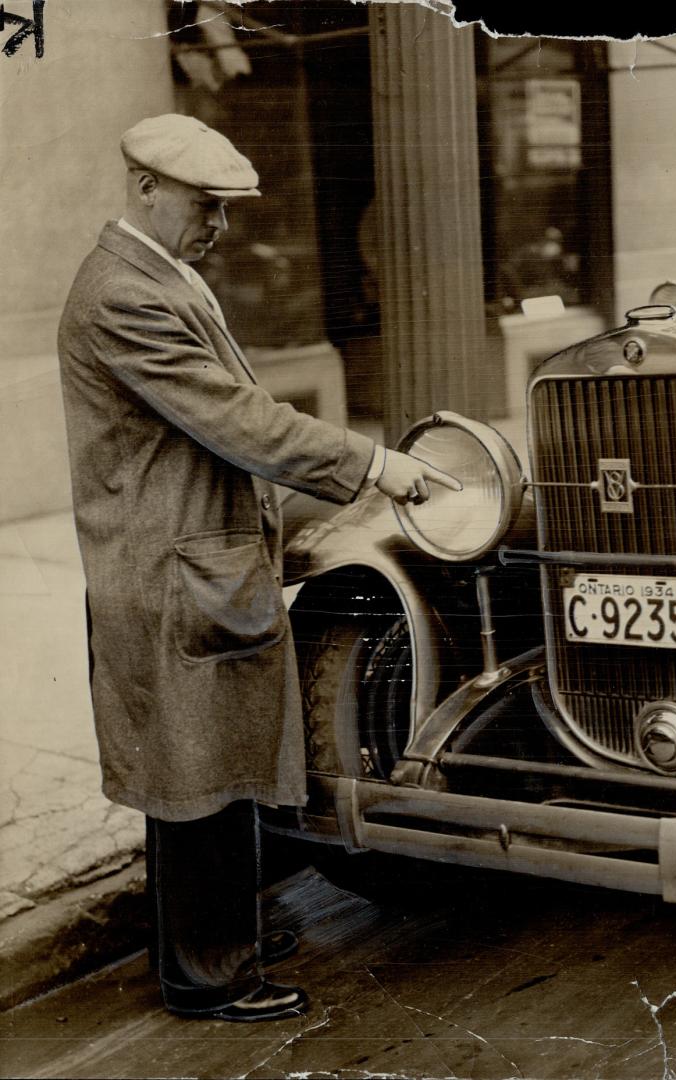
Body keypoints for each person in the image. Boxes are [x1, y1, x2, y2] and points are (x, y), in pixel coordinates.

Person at [56, 114, 460, 1022]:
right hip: (173, 569)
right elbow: (237, 419)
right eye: (208, 206)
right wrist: (373, 465)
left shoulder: (156, 274)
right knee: (197, 772)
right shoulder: (126, 293)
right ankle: (210, 975)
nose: (221, 227)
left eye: (227, 210)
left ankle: (210, 937)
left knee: (205, 762)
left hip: (184, 556)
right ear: (147, 190)